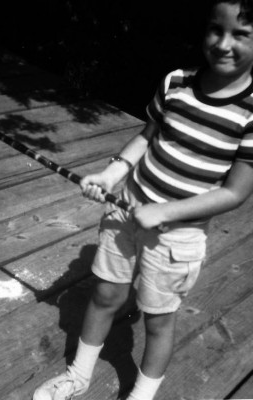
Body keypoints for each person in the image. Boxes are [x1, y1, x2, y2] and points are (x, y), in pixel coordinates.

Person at [33, 1, 253, 399]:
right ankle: (79, 375)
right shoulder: (176, 81)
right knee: (104, 294)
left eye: (241, 34)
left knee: (157, 321)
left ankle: (141, 395)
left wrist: (165, 211)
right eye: (215, 30)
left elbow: (236, 192)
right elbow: (145, 137)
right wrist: (112, 173)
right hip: (124, 211)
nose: (223, 43)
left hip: (177, 238)